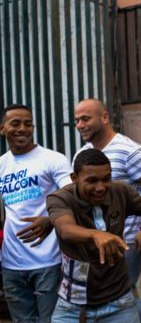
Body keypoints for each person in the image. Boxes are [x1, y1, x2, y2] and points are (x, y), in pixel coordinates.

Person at [46, 149, 141, 322]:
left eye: (106, 179)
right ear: (74, 178)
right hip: (72, 306)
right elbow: (66, 229)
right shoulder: (60, 198)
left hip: (119, 303)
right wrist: (96, 235)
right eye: (92, 181)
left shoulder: (120, 191)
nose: (100, 187)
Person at [74, 99, 141, 322]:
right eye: (77, 120)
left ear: (104, 118)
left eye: (85, 118)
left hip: (129, 240)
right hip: (102, 243)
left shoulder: (128, 150)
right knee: (120, 298)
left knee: (114, 298)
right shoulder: (84, 154)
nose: (80, 125)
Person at [0, 104, 73, 323]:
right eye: (15, 123)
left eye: (28, 124)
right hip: (11, 264)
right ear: (2, 128)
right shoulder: (2, 164)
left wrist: (51, 220)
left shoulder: (52, 159)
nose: (23, 129)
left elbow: (73, 195)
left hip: (48, 261)